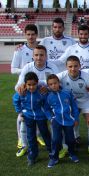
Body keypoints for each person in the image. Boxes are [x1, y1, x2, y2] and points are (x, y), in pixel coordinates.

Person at [57, 56, 89, 159]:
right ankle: (65, 147)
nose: (73, 69)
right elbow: (47, 80)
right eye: (70, 66)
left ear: (80, 66)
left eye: (75, 66)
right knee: (65, 124)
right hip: (70, 103)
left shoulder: (86, 77)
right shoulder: (62, 76)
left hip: (85, 102)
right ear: (66, 67)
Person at [11, 24, 42, 156]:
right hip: (25, 85)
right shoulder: (19, 50)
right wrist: (28, 70)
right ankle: (21, 141)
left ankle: (38, 136)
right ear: (25, 35)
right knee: (22, 115)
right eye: (28, 34)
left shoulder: (41, 49)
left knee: (39, 112)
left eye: (33, 34)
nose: (30, 37)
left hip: (38, 86)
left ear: (36, 35)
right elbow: (13, 69)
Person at [12, 72, 52, 166]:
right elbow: (15, 100)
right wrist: (20, 112)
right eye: (29, 85)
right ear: (25, 84)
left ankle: (52, 152)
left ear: (37, 83)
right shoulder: (22, 92)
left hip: (41, 117)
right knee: (31, 136)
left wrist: (48, 115)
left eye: (34, 84)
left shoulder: (41, 91)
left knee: (45, 133)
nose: (31, 87)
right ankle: (32, 155)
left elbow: (46, 103)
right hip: (28, 117)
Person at [45, 74, 79, 168]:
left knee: (71, 139)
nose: (53, 86)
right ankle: (54, 158)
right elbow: (46, 109)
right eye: (50, 84)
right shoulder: (48, 97)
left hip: (69, 120)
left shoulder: (67, 92)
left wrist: (76, 118)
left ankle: (72, 153)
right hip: (56, 121)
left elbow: (75, 107)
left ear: (59, 83)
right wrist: (51, 118)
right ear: (48, 86)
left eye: (55, 83)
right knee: (55, 140)